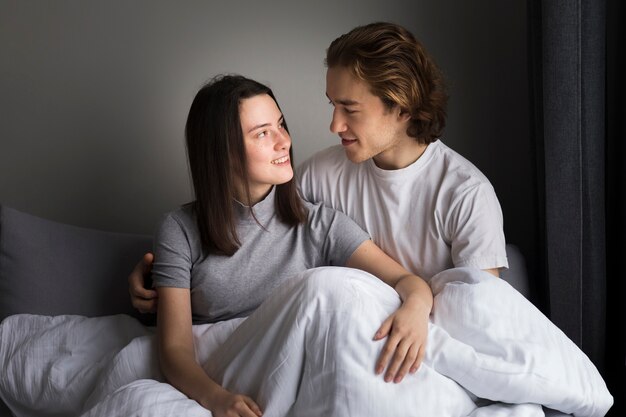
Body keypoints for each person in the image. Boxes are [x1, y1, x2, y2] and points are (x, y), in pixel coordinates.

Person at [131, 21, 507, 308]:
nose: (334, 125)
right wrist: (158, 277)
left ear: (401, 107)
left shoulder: (466, 194)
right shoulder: (320, 174)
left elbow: (478, 315)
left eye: (350, 109)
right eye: (333, 104)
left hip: (419, 342)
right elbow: (248, 232)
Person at [151, 74, 433, 417]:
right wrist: (216, 398)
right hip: (224, 378)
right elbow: (175, 349)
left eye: (281, 125)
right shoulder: (178, 230)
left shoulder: (320, 224)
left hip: (300, 377)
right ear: (220, 152)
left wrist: (416, 307)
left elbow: (408, 282)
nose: (283, 141)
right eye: (262, 133)